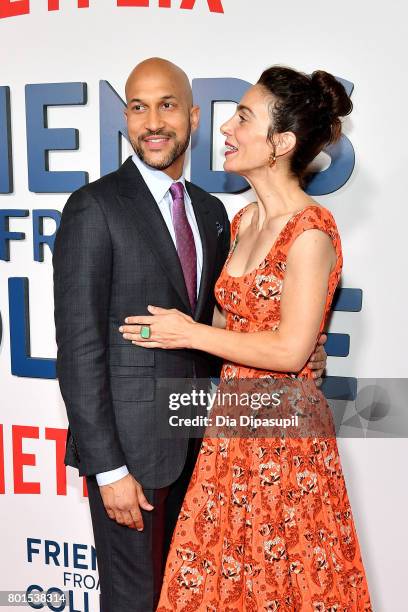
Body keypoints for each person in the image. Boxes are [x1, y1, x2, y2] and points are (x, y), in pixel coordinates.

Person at [53, 58, 327, 612]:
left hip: (212, 448)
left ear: (194, 117)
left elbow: (225, 323)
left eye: (167, 105)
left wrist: (297, 348)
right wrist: (109, 470)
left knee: (198, 597)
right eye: (137, 107)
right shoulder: (94, 207)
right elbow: (79, 351)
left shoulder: (213, 213)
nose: (152, 121)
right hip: (131, 455)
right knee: (134, 599)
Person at [120, 66, 372, 610]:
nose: (226, 129)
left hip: (284, 442)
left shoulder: (312, 231)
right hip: (232, 429)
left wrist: (189, 332)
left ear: (280, 142)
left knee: (280, 584)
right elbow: (230, 330)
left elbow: (287, 351)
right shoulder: (245, 220)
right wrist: (166, 333)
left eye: (243, 117)